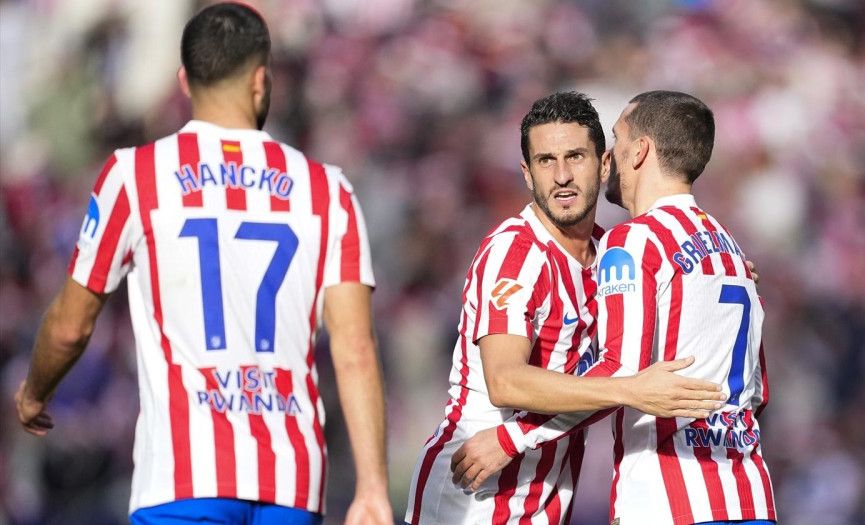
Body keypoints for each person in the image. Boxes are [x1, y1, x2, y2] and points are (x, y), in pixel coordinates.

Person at [12, 4, 391, 524]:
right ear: (261, 80)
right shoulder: (328, 190)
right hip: (292, 480)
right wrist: (372, 486)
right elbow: (356, 348)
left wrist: (35, 393)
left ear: (184, 81)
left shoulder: (135, 176)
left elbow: (71, 327)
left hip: (183, 476)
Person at [404, 91, 729, 525]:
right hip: (474, 492)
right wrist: (627, 389)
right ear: (527, 173)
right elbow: (505, 381)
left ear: (605, 163)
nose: (561, 176)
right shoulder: (516, 254)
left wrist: (722, 272)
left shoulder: (615, 258)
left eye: (575, 156)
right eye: (545, 161)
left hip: (546, 497)